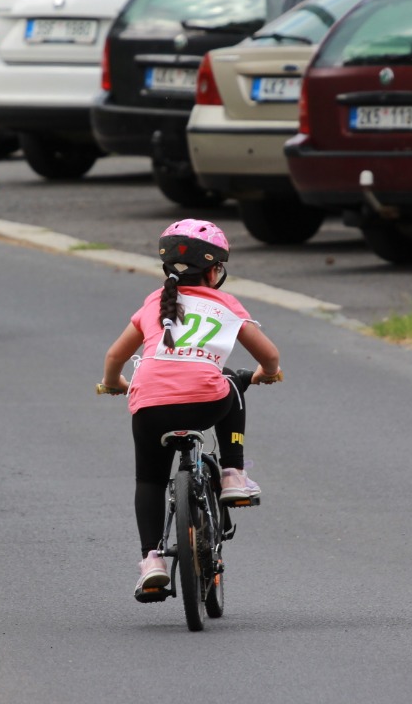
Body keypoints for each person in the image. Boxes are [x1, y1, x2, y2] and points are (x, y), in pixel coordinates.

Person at [96, 220, 282, 601]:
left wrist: (114, 382)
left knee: (149, 481)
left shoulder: (154, 302)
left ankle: (151, 561)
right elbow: (269, 355)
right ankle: (232, 474)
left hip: (149, 406)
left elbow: (115, 356)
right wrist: (267, 373)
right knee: (230, 380)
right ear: (214, 272)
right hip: (204, 403)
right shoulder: (225, 305)